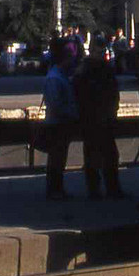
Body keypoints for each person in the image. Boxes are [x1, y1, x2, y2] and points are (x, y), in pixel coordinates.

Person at [73, 42, 124, 200]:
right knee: (109, 155)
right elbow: (113, 94)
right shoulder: (104, 71)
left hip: (89, 119)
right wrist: (112, 112)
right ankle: (112, 188)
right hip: (102, 119)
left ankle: (94, 189)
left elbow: (77, 95)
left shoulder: (82, 72)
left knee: (92, 155)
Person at [40, 37, 80, 201]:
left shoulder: (59, 75)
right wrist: (71, 114)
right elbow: (56, 104)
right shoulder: (55, 78)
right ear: (65, 58)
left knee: (59, 159)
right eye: (70, 57)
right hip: (57, 124)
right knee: (56, 159)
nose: (73, 60)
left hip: (60, 123)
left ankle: (57, 189)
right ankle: (54, 190)